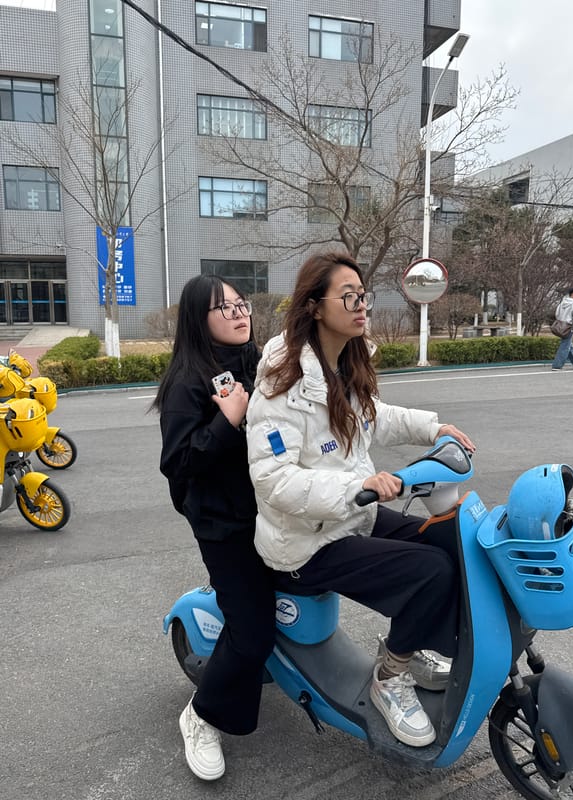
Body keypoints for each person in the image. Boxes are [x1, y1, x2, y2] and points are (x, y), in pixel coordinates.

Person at [246, 251, 476, 749]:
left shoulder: (345, 364)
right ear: (314, 306)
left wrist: (434, 428)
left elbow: (378, 416)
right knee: (428, 571)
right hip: (304, 547)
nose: (361, 305)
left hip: (350, 520)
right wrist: (359, 488)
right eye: (348, 296)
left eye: (363, 295)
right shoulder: (280, 384)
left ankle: (410, 647)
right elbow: (273, 480)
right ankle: (389, 678)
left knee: (453, 542)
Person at [153, 275, 275, 781]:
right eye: (223, 308)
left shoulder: (259, 361)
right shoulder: (186, 381)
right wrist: (226, 421)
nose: (238, 313)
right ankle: (202, 715)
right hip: (225, 525)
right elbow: (178, 464)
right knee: (253, 633)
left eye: (241, 304)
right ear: (197, 320)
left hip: (274, 509)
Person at [552, 287, 573, 370]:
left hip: (561, 327)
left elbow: (557, 314)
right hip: (569, 327)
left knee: (569, 344)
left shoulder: (562, 303)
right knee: (565, 346)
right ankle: (557, 365)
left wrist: (562, 321)